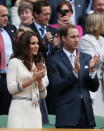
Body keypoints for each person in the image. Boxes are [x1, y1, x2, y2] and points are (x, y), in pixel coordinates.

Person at [46, 24, 100, 128]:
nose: (76, 40)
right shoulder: (53, 60)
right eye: (73, 37)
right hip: (67, 116)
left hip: (87, 115)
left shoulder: (86, 57)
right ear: (63, 38)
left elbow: (94, 88)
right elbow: (57, 87)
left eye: (78, 36)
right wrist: (75, 72)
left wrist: (92, 70)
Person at [7, 31, 49, 128]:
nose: (37, 46)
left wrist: (39, 80)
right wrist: (33, 79)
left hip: (35, 111)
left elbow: (43, 95)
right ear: (25, 45)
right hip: (18, 109)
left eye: (38, 43)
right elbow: (11, 89)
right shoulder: (14, 62)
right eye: (33, 43)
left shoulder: (39, 63)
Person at [79, 13, 104, 117]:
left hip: (102, 81)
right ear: (97, 23)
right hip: (92, 81)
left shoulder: (102, 39)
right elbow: (93, 61)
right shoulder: (85, 39)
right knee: (95, 114)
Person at [0, 5, 17, 115]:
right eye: (3, 16)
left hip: (9, 77)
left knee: (7, 113)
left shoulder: (11, 29)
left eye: (7, 15)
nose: (6, 18)